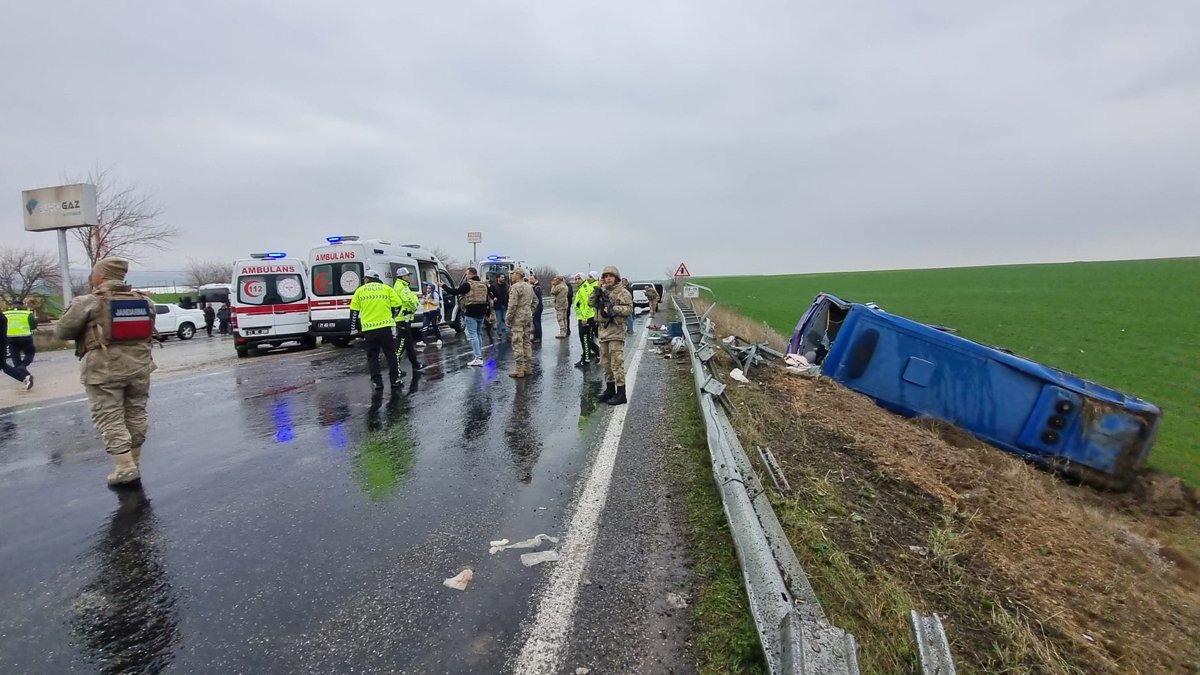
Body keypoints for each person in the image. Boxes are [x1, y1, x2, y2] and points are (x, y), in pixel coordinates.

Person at [55, 258, 157, 486]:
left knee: (109, 416)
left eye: (94, 273)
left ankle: (124, 467)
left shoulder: (88, 302)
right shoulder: (145, 302)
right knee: (136, 413)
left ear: (101, 276)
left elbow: (62, 332)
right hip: (140, 368)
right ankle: (135, 461)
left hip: (104, 370)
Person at [349, 269, 403, 390]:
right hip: (386, 327)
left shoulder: (360, 291)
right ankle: (394, 380)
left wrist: (352, 329)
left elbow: (354, 311)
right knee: (390, 354)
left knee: (373, 356)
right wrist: (392, 317)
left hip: (369, 329)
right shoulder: (386, 288)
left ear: (367, 279)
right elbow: (397, 305)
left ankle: (377, 382)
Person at [589, 266, 634, 405]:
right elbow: (590, 303)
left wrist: (613, 309)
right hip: (603, 331)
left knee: (617, 363)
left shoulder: (623, 292)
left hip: (616, 331)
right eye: (605, 276)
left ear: (616, 278)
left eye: (610, 276)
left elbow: (629, 309)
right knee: (606, 363)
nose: (608, 278)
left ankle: (621, 393)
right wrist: (596, 289)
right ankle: (610, 390)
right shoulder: (601, 292)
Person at [442, 266, 489, 366]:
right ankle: (479, 354)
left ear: (471, 274)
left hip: (471, 312)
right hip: (482, 312)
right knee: (478, 333)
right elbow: (488, 299)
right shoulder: (483, 285)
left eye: (467, 274)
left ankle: (478, 357)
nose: (466, 276)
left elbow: (455, 292)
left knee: (473, 335)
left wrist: (443, 286)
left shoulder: (468, 285)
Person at [506, 268, 537, 378]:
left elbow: (512, 305)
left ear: (518, 275)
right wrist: (530, 311)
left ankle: (519, 369)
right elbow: (535, 301)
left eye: (513, 274)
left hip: (518, 316)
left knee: (517, 341)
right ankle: (528, 367)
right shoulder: (529, 286)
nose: (511, 276)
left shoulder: (515, 287)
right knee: (526, 341)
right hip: (527, 315)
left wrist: (508, 318)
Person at [392, 267, 422, 376]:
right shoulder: (401, 286)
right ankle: (396, 370)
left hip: (405, 318)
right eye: (408, 275)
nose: (410, 277)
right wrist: (414, 307)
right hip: (402, 319)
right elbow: (407, 300)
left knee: (409, 344)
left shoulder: (402, 285)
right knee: (400, 345)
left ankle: (415, 364)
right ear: (404, 277)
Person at [4, 299, 37, 388]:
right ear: (21, 305)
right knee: (30, 352)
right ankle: (24, 367)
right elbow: (33, 326)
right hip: (25, 337)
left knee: (15, 358)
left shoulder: (5, 314)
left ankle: (25, 375)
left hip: (10, 338)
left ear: (12, 305)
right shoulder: (27, 313)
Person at [572, 272, 599, 368]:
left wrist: (585, 318)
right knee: (584, 339)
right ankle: (597, 353)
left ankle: (586, 359)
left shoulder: (585, 288)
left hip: (586, 318)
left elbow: (589, 304)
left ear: (583, 279)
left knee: (585, 339)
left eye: (578, 278)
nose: (576, 280)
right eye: (575, 279)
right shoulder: (581, 288)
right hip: (582, 318)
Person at [419, 282, 442, 347]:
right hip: (426, 312)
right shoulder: (426, 294)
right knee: (424, 326)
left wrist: (429, 301)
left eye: (429, 288)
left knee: (435, 326)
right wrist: (424, 298)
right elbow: (421, 303)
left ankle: (439, 339)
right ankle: (423, 341)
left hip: (433, 312)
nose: (427, 289)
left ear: (432, 288)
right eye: (427, 288)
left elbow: (437, 302)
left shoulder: (434, 293)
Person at [490, 273, 510, 340]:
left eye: (503, 277)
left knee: (505, 319)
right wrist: (493, 297)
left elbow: (509, 294)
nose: (503, 278)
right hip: (498, 305)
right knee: (498, 320)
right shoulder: (494, 286)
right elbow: (489, 292)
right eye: (501, 277)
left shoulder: (506, 286)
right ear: (498, 278)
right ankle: (499, 333)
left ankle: (507, 333)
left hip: (505, 304)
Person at [530, 274, 544, 343]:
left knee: (537, 322)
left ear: (535, 279)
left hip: (538, 307)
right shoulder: (535, 286)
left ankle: (538, 337)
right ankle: (536, 336)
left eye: (532, 279)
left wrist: (532, 288)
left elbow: (536, 294)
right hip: (536, 306)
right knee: (535, 322)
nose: (530, 280)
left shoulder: (538, 287)